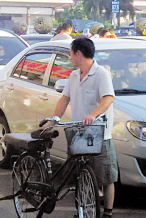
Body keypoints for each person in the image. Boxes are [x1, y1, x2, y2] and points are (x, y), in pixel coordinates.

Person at [42, 38, 117, 218]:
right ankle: (82, 209)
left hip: (100, 134)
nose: (69, 57)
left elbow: (108, 98)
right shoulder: (74, 75)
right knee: (80, 174)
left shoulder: (101, 74)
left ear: (78, 53)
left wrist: (93, 114)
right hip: (79, 133)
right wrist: (54, 119)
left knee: (106, 177)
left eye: (70, 53)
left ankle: (108, 213)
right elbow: (64, 99)